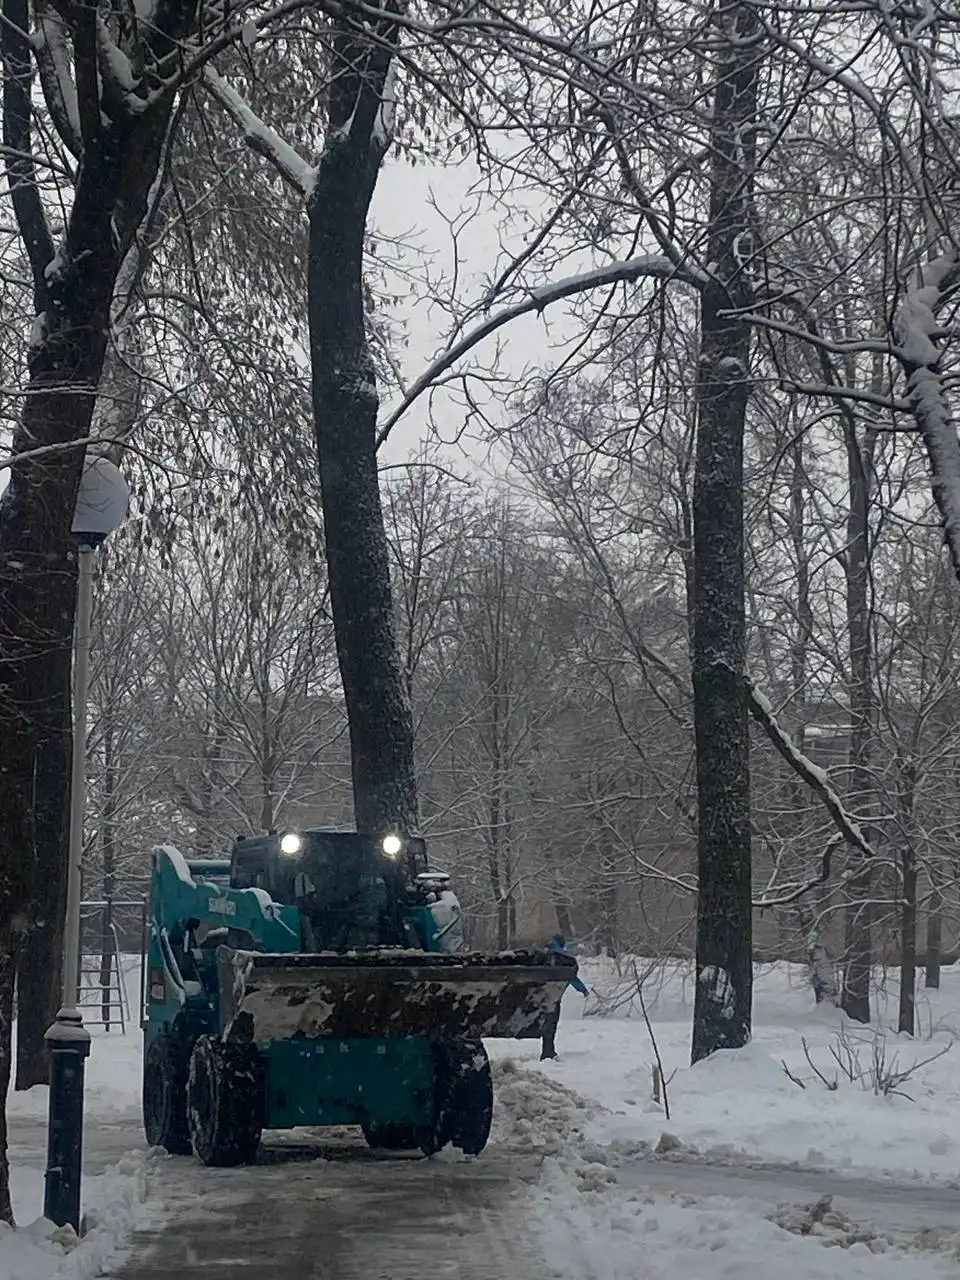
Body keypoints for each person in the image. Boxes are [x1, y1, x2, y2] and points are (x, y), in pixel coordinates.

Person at [541, 934, 588, 1061]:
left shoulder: (542, 954)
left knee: (546, 1022)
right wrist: (582, 990)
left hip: (537, 995)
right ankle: (547, 1051)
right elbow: (572, 976)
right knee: (551, 1023)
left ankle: (547, 1050)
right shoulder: (563, 957)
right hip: (554, 996)